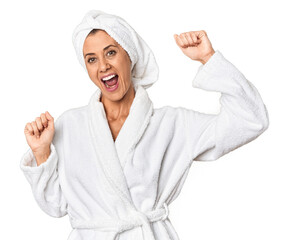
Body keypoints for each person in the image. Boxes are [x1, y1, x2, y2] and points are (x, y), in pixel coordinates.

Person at [20, 10, 269, 240]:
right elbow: (55, 206)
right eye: (91, 59)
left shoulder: (172, 124)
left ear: (130, 54)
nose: (103, 66)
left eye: (110, 52)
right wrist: (42, 153)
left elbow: (250, 120)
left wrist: (208, 59)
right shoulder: (70, 125)